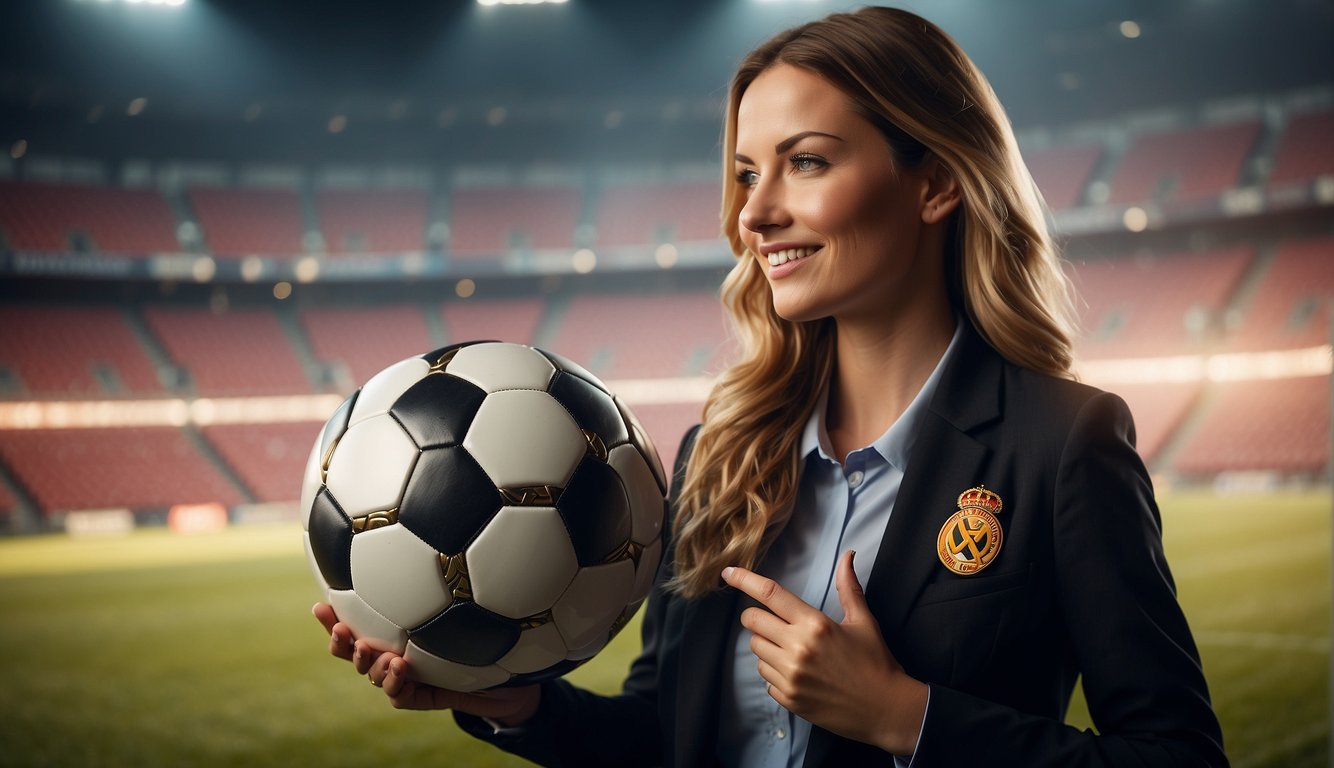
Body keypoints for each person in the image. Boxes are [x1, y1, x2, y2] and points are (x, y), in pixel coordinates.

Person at [313, 6, 1228, 766]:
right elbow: (663, 735)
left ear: (937, 183)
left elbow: (1178, 754)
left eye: (808, 161)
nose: (754, 211)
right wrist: (514, 703)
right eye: (749, 173)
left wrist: (904, 717)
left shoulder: (1062, 443)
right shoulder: (723, 450)